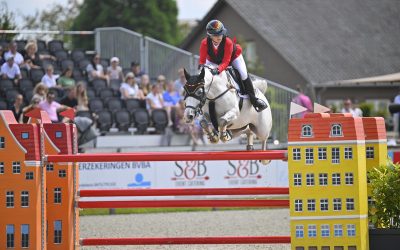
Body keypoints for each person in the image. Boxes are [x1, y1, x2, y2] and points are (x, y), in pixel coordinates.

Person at [199, 20, 267, 112]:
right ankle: (200, 103)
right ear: (210, 36)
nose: (219, 37)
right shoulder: (204, 43)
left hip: (233, 58)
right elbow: (202, 61)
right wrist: (201, 69)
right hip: (213, 60)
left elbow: (226, 62)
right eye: (216, 35)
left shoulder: (228, 42)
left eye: (221, 34)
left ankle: (254, 100)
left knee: (243, 74)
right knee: (204, 76)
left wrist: (217, 70)